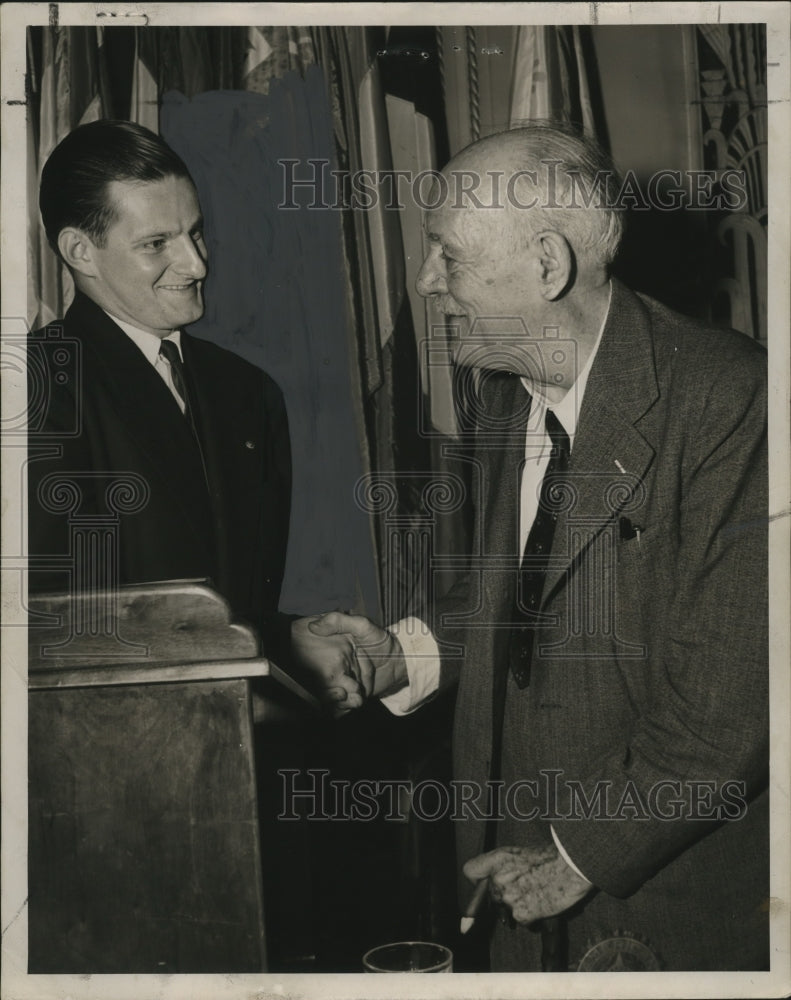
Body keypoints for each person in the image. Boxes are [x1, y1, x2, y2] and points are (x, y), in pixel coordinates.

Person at [306, 123, 769, 971]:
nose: (424, 282)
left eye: (446, 256)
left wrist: (576, 857)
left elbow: (732, 706)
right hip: (513, 889)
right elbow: (533, 602)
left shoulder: (733, 403)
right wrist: (401, 656)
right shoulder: (501, 394)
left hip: (660, 906)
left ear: (547, 266)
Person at [27, 119, 356, 683]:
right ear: (80, 250)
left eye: (195, 233)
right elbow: (47, 626)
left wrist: (286, 643)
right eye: (157, 244)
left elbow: (232, 604)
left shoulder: (248, 389)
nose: (197, 265)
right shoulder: (33, 391)